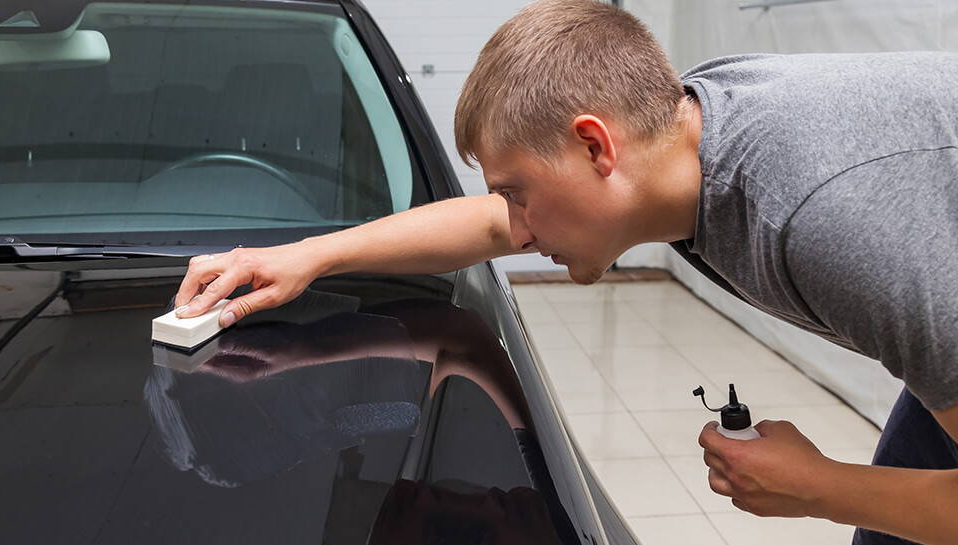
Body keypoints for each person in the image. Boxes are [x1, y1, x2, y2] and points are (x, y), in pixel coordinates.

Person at [171, 0, 958, 542]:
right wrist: (308, 255)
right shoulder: (678, 144)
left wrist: (818, 486)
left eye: (519, 193)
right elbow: (483, 224)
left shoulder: (820, 215)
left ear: (595, 145)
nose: (513, 229)